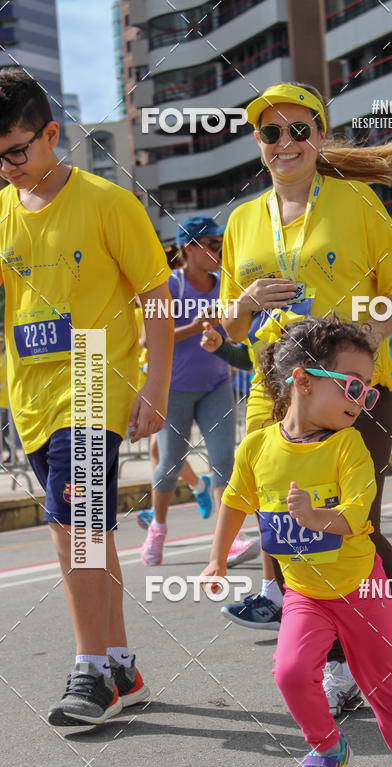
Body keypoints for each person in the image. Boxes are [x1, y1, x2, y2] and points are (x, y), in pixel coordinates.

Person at [218, 82, 392, 712]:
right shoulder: (242, 220)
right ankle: (340, 659)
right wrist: (245, 304)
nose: (285, 142)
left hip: (353, 393)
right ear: (259, 143)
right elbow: (230, 330)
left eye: (299, 130)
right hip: (278, 397)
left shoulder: (356, 202)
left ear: (318, 136)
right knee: (288, 528)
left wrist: (356, 346)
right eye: (271, 132)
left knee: (353, 525)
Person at [201, 317, 392, 767]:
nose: (362, 399)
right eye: (352, 385)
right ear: (303, 381)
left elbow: (358, 516)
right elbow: (233, 501)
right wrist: (216, 560)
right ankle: (327, 750)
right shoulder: (259, 447)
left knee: (386, 688)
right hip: (305, 595)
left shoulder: (348, 445)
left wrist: (316, 518)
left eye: (368, 390)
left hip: (361, 589)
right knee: (290, 673)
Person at [0, 67, 174, 724]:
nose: (10, 167)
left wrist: (155, 388)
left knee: (69, 523)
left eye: (18, 150)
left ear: (51, 134)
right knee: (89, 532)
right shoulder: (2, 213)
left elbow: (155, 301)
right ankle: (122, 664)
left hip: (96, 378)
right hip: (31, 395)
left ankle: (91, 671)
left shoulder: (107, 202)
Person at [140, 215, 259, 568]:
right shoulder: (171, 286)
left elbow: (238, 332)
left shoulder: (225, 283)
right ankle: (158, 528)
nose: (219, 251)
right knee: (169, 464)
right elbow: (148, 339)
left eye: (221, 243)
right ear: (189, 248)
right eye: (212, 244)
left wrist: (221, 333)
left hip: (216, 386)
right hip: (173, 389)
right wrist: (196, 326)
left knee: (224, 460)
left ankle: (232, 539)